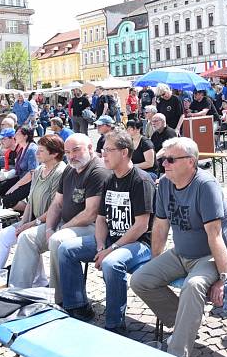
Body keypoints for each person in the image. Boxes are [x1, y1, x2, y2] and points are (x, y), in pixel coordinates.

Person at [130, 137, 227, 357]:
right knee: (141, 279)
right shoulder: (165, 184)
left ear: (191, 162)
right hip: (181, 253)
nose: (164, 164)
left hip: (216, 255)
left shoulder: (205, 185)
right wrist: (154, 261)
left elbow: (215, 235)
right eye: (163, 160)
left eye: (170, 160)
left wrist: (223, 278)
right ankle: (184, 325)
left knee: (193, 285)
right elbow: (160, 226)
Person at [57, 130, 154, 329]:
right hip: (110, 241)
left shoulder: (141, 181)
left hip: (138, 244)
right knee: (66, 249)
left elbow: (141, 225)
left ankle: (115, 324)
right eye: (103, 150)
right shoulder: (110, 179)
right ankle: (77, 306)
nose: (103, 155)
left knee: (111, 263)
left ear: (124, 152)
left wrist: (110, 250)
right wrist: (101, 246)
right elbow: (101, 218)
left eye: (109, 150)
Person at [9, 133, 109, 304]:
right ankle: (17, 292)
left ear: (90, 148)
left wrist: (62, 228)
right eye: (68, 152)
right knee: (27, 237)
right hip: (67, 224)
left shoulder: (97, 171)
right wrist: (49, 227)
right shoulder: (70, 169)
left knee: (57, 239)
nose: (71, 156)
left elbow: (91, 213)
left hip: (93, 227)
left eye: (76, 150)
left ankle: (58, 298)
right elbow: (56, 204)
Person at [0, 134, 67, 275]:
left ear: (54, 153)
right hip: (33, 219)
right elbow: (30, 201)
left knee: (26, 238)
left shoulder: (61, 172)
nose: (37, 153)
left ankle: (34, 280)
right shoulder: (39, 170)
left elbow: (56, 207)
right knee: (5, 234)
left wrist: (29, 225)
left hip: (51, 222)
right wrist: (22, 223)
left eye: (41, 150)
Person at [0, 127, 37, 211]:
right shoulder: (22, 149)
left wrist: (15, 186)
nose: (15, 136)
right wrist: (3, 175)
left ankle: (33, 212)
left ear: (25, 136)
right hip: (20, 178)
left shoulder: (31, 149)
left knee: (8, 200)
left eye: (17, 134)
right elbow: (16, 170)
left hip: (29, 181)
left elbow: (32, 172)